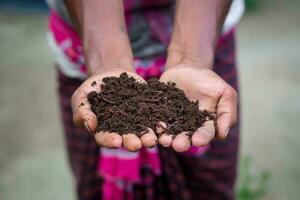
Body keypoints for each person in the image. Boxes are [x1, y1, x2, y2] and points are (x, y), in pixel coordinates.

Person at [46, 0, 244, 199]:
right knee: (94, 187)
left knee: (208, 188)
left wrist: (192, 59)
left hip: (205, 44)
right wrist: (108, 62)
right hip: (84, 48)